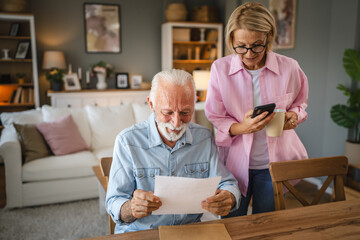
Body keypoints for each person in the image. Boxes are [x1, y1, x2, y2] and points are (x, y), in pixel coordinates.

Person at [204, 2, 308, 216]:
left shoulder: (290, 68)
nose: (249, 53)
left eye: (257, 45)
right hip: (233, 166)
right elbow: (215, 115)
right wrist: (242, 127)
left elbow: (300, 103)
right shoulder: (220, 69)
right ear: (231, 40)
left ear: (269, 37)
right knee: (232, 224)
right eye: (241, 46)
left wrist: (293, 116)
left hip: (275, 166)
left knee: (267, 226)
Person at [106, 69, 240, 233]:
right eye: (167, 112)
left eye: (185, 112)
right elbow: (114, 202)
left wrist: (229, 198)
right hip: (142, 233)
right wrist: (131, 207)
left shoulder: (204, 138)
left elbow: (228, 184)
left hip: (190, 232)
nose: (176, 123)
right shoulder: (127, 141)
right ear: (151, 105)